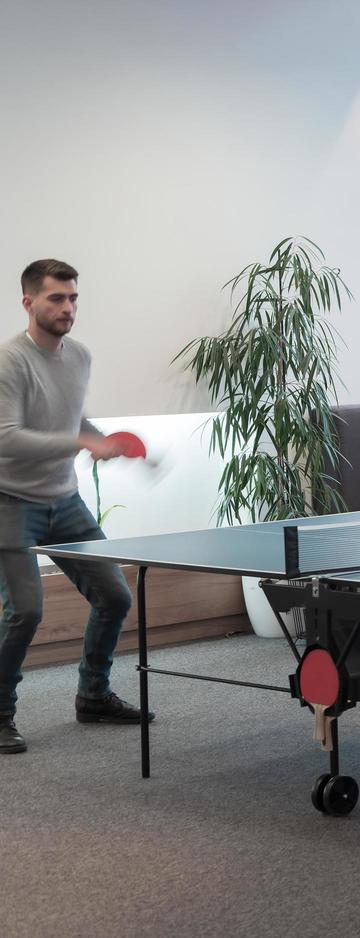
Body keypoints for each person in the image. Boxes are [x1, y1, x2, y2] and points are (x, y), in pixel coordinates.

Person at [0, 260, 153, 755]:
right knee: (24, 612)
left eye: (72, 299)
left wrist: (101, 438)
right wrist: (81, 442)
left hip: (64, 499)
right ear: (29, 303)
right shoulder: (9, 362)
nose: (67, 308)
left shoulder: (80, 357)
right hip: (11, 502)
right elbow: (6, 438)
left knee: (114, 596)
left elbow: (70, 415)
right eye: (56, 299)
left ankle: (93, 696)